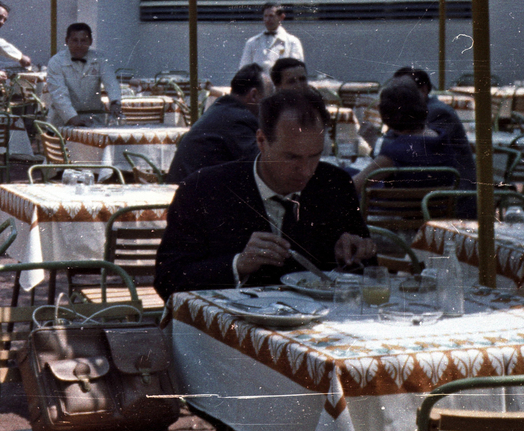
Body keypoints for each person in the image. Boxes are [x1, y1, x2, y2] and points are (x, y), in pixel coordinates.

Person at [153, 88, 376, 298]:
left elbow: (370, 270)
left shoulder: (334, 184)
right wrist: (237, 264)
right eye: (292, 157)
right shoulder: (204, 189)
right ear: (261, 141)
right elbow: (167, 280)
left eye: (315, 156)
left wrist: (355, 256)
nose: (307, 170)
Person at [353, 77, 462, 196]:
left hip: (394, 211)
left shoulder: (394, 153)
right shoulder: (441, 139)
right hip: (436, 209)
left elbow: (354, 186)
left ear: (385, 115)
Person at [165, 63, 269, 183]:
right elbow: (262, 167)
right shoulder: (239, 119)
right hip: (193, 195)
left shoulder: (221, 108)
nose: (272, 104)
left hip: (184, 189)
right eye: (269, 97)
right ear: (254, 95)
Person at [392, 65, 475, 186]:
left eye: (403, 91)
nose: (396, 95)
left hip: (454, 192)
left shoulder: (438, 112)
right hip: (434, 185)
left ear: (423, 91)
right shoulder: (414, 111)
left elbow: (414, 151)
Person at [44, 22, 122, 127]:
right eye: (75, 40)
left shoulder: (99, 59)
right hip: (63, 120)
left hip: (94, 118)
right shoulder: (56, 62)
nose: (79, 45)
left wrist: (115, 102)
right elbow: (59, 94)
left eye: (83, 41)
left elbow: (111, 82)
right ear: (67, 41)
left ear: (90, 41)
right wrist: (73, 118)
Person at [239, 2, 304, 70]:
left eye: (271, 16)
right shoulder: (252, 42)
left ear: (281, 17)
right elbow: (244, 69)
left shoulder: (292, 42)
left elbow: (297, 70)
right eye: (265, 16)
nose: (267, 20)